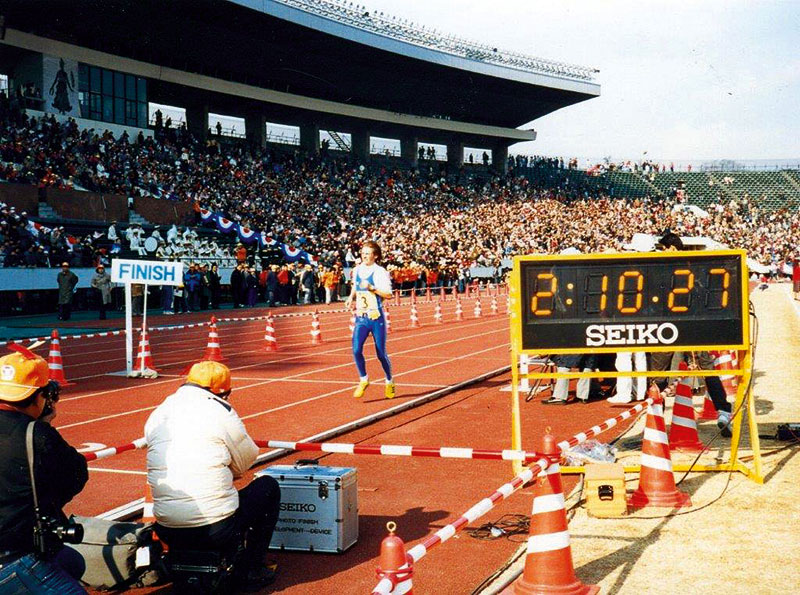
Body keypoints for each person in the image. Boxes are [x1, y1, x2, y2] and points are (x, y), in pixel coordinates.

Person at [145, 362, 281, 591]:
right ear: (222, 392)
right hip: (216, 529)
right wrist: (227, 470)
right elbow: (246, 459)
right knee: (267, 487)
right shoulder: (221, 410)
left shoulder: (159, 412)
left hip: (167, 528)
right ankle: (251, 569)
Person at [0, 347, 89, 593]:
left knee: (72, 562)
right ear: (41, 395)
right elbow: (76, 474)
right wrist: (42, 425)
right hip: (12, 557)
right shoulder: (36, 435)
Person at [649, 230, 733, 436]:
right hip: (692, 328)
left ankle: (655, 418)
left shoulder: (663, 269)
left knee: (658, 372)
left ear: (671, 248)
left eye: (663, 248)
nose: (660, 252)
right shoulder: (694, 267)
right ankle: (723, 411)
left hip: (667, 328)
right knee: (707, 368)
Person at [345, 241, 395, 399]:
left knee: (380, 353)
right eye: (363, 253)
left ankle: (389, 381)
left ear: (376, 255)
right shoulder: (357, 269)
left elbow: (389, 295)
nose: (364, 256)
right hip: (361, 317)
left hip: (376, 317)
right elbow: (355, 285)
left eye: (368, 253)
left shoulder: (380, 272)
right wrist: (351, 297)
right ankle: (364, 379)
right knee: (356, 349)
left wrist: (372, 288)